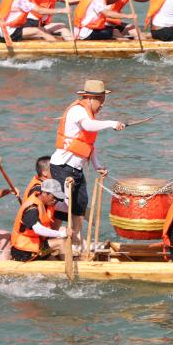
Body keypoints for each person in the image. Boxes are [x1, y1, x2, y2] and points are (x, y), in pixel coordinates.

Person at [50, 79, 125, 244]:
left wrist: (97, 166)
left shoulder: (88, 114)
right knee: (65, 205)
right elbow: (89, 126)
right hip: (62, 166)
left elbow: (89, 145)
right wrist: (112, 123)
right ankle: (50, 236)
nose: (102, 105)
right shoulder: (78, 110)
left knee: (80, 205)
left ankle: (77, 241)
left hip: (76, 169)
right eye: (101, 101)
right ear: (90, 98)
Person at [10, 178, 69, 262]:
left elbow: (66, 207)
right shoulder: (32, 208)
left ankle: (62, 264)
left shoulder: (44, 203)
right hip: (24, 252)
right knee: (60, 242)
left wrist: (68, 186)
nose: (55, 200)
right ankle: (68, 267)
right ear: (44, 193)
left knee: (55, 260)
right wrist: (62, 233)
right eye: (54, 197)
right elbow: (38, 230)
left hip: (37, 246)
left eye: (57, 198)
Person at [71, 0, 140, 41]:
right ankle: (125, 46)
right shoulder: (98, 0)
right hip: (85, 33)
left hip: (84, 29)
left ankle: (124, 44)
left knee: (114, 31)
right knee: (114, 32)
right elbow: (108, 13)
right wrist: (128, 16)